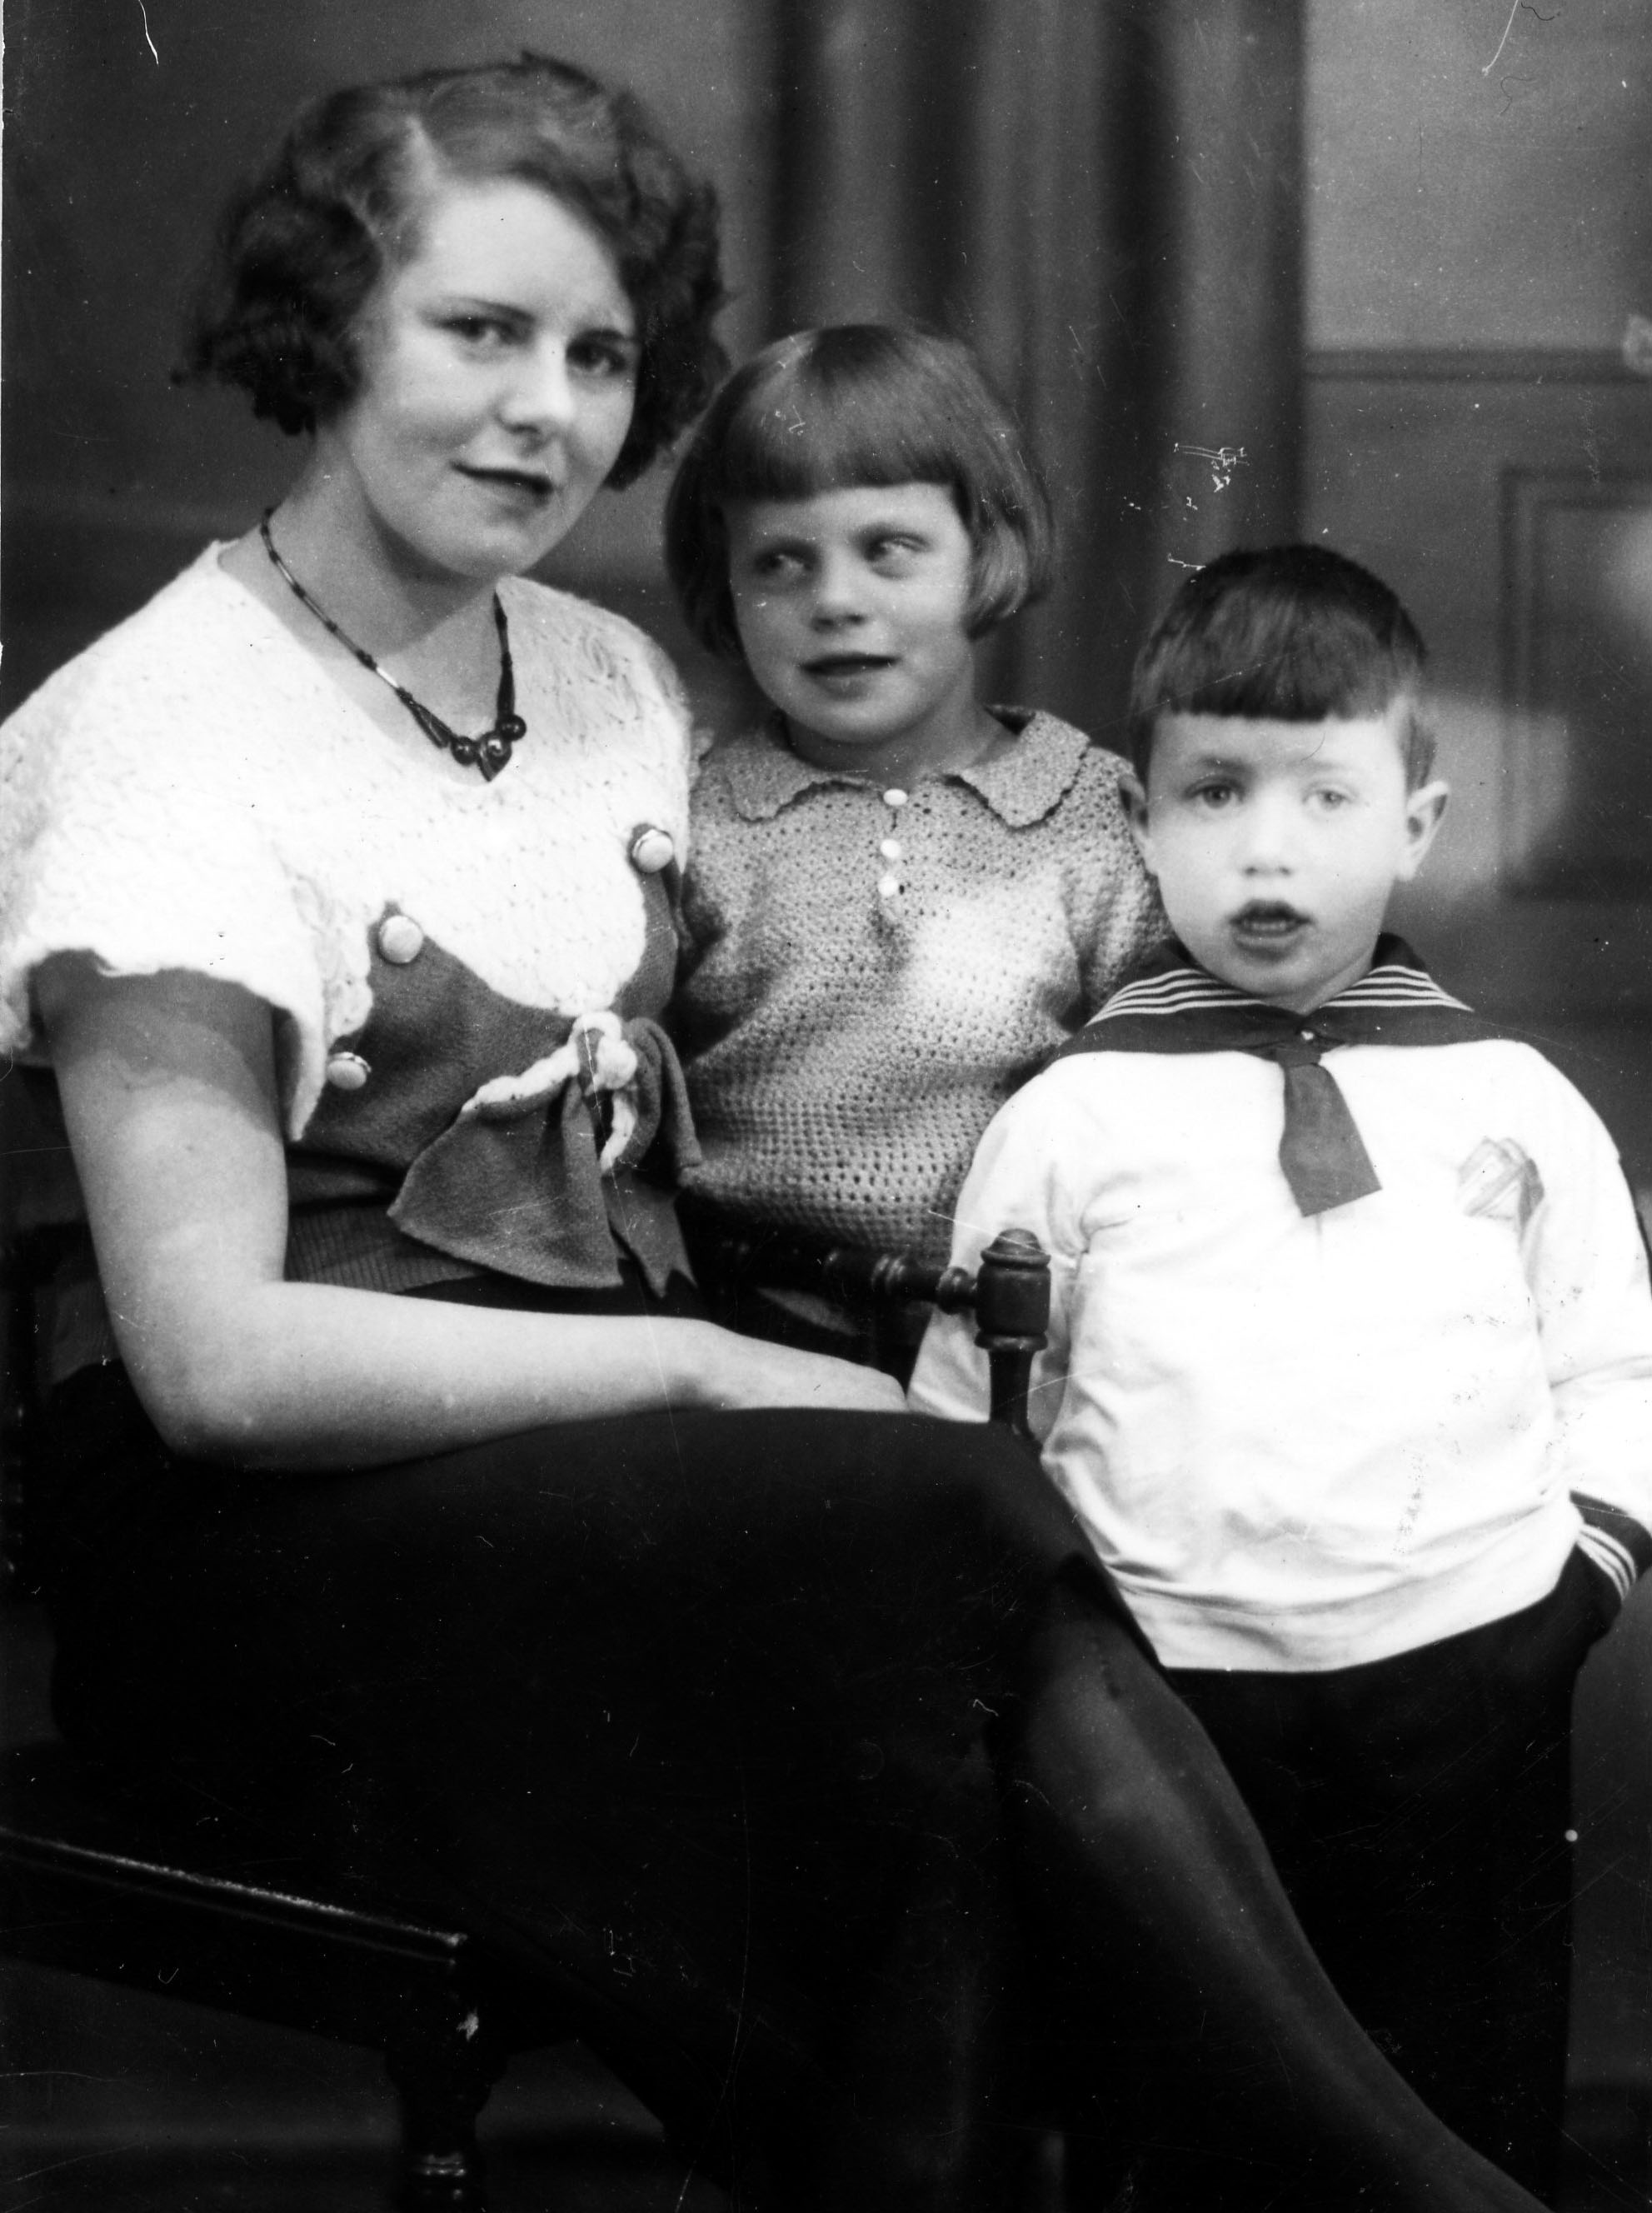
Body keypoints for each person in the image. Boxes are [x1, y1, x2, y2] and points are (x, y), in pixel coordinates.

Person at [0, 55, 1555, 2206]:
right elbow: (213, 1370)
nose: (541, 410)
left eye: (595, 353)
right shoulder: (161, 737)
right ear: (323, 325)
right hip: (257, 1556)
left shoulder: (596, 675)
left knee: (922, 1671)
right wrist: (717, 1367)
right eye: (477, 330)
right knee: (930, 1545)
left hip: (573, 1479)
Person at [911, 544, 1652, 2206]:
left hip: (1469, 1676)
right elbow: (972, 1417)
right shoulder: (1072, 1117)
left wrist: (1568, 1598)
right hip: (1175, 1705)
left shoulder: (1507, 1099)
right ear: (1140, 819)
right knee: (1185, 2117)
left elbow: (1613, 1357)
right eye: (1213, 791)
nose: (1265, 847)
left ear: (1416, 824)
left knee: (1457, 2096)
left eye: (1325, 795)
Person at [664, 326, 1165, 1373]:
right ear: (726, 583)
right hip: (742, 1335)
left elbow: (1159, 1104)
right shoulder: (694, 819)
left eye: (889, 548)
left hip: (1011, 1347)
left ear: (986, 551)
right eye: (780, 561)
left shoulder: (1091, 817)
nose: (835, 600)